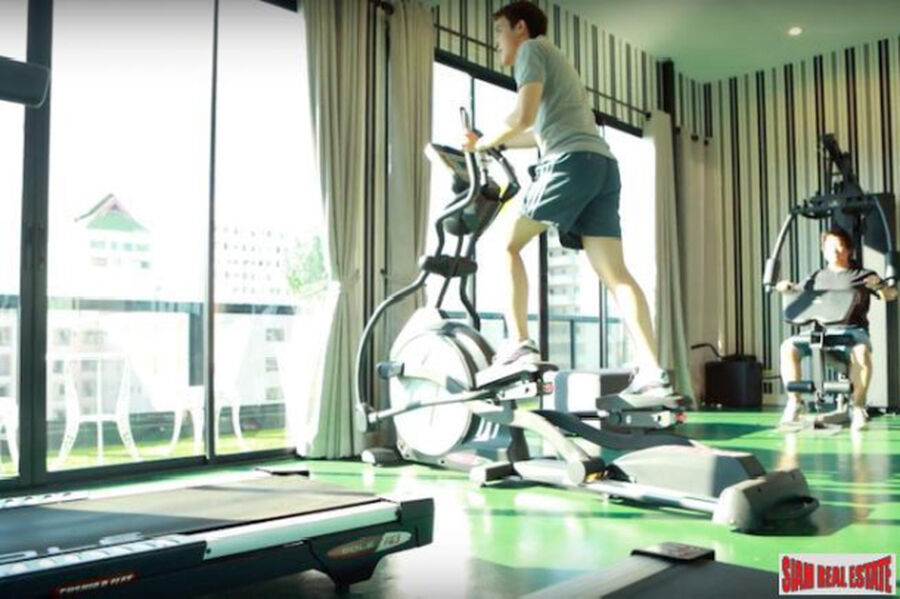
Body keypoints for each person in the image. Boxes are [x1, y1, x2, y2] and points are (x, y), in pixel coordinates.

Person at [461, 1, 672, 397]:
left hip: (570, 163)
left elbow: (522, 117)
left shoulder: (530, 50)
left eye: (499, 31)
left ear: (520, 28)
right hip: (601, 166)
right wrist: (492, 144)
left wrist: (482, 143)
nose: (496, 42)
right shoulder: (555, 60)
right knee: (616, 274)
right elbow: (537, 132)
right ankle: (652, 370)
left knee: (503, 244)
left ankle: (519, 343)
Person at [775, 227, 897, 430]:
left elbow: (891, 295)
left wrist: (880, 286)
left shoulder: (863, 274)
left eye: (839, 246)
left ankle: (858, 407)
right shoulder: (816, 277)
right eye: (829, 247)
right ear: (823, 250)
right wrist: (786, 288)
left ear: (849, 250)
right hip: (820, 333)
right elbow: (797, 294)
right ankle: (795, 403)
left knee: (862, 351)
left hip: (852, 332)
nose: (834, 251)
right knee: (788, 347)